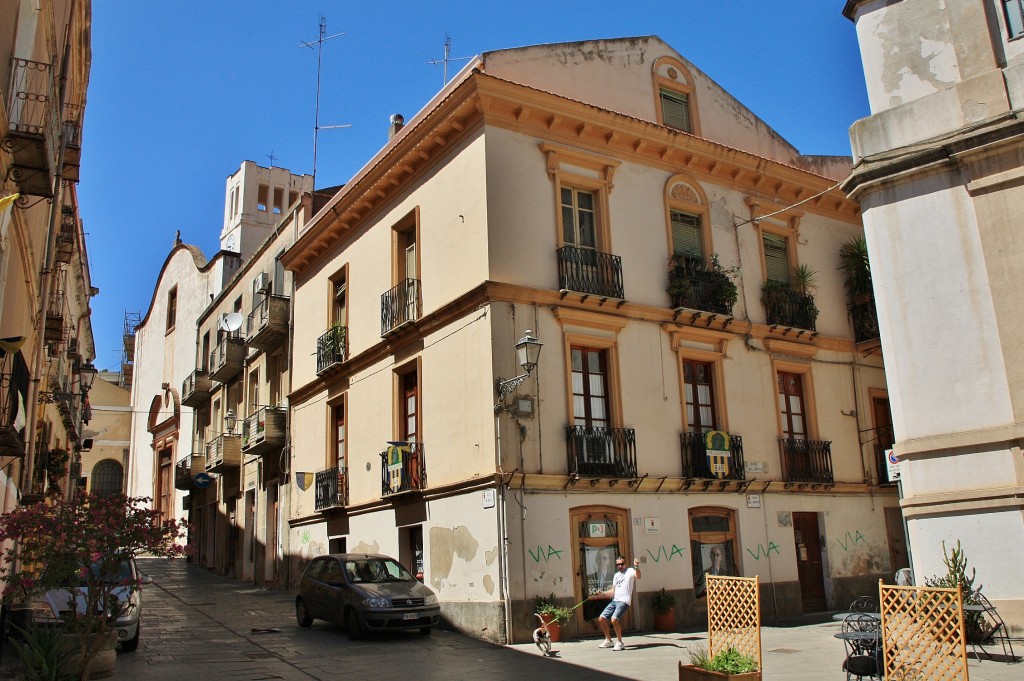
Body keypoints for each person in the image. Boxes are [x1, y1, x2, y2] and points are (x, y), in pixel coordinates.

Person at [596, 556, 641, 651]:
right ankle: (608, 640)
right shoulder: (616, 575)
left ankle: (620, 642)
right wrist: (602, 593)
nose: (620, 566)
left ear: (626, 563)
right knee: (601, 619)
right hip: (615, 600)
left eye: (622, 564)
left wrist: (636, 567)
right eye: (618, 564)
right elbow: (613, 591)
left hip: (624, 601)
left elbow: (638, 576)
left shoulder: (630, 571)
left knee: (614, 619)